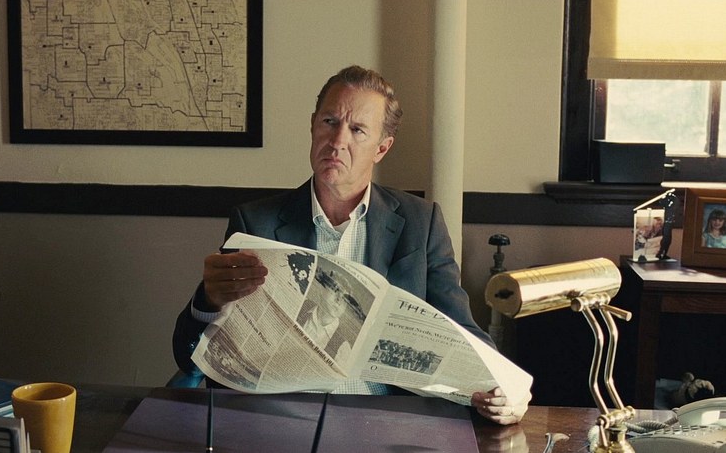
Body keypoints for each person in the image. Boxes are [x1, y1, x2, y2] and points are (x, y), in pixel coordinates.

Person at [172, 65, 530, 425]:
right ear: (313, 126)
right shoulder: (256, 223)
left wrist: (505, 389)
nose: (337, 140)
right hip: (284, 422)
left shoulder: (421, 223)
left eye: (357, 129)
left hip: (387, 423)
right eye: (329, 122)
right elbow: (190, 359)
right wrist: (209, 300)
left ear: (382, 148)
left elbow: (464, 335)